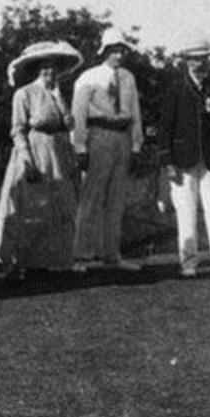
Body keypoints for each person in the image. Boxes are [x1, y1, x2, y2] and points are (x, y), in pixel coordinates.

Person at [0, 41, 83, 282]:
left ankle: (53, 259)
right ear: (36, 71)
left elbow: (70, 124)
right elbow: (17, 130)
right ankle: (23, 262)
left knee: (59, 205)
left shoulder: (58, 94)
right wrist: (27, 159)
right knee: (31, 205)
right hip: (35, 151)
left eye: (52, 69)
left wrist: (60, 99)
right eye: (44, 69)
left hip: (58, 153)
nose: (49, 73)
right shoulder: (25, 93)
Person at [156, 39, 210, 284]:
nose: (199, 64)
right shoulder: (175, 89)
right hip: (182, 159)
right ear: (186, 62)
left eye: (203, 59)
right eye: (194, 59)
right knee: (186, 213)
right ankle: (188, 263)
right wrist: (167, 162)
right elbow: (165, 129)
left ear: (208, 62)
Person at [71, 28, 144, 271]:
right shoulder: (88, 77)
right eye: (114, 50)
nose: (119, 55)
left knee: (116, 198)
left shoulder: (128, 77)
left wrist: (136, 145)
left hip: (122, 137)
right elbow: (78, 115)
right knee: (92, 197)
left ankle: (112, 254)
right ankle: (82, 256)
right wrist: (80, 147)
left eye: (122, 50)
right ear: (105, 51)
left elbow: (134, 112)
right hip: (98, 136)